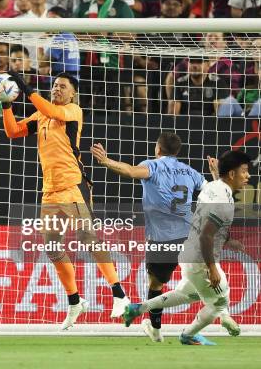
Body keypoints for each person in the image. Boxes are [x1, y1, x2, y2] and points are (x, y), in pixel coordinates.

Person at [2, 71, 130, 330]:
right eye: (55, 86)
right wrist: (6, 104)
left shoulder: (72, 111)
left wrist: (27, 89)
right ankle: (74, 301)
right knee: (52, 248)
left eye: (62, 87)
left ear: (73, 93)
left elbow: (54, 112)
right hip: (50, 190)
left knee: (88, 238)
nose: (57, 90)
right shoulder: (41, 116)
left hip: (73, 185)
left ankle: (120, 295)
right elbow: (13, 131)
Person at [91, 133, 239, 341]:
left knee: (156, 285)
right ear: (177, 151)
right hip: (190, 237)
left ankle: (156, 331)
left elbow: (131, 172)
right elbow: (214, 192)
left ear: (158, 149)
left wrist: (106, 161)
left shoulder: (153, 166)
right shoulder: (190, 172)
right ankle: (222, 313)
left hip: (162, 240)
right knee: (202, 280)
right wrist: (215, 175)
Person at [123, 150, 251, 346]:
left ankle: (138, 308)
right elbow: (207, 234)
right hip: (201, 260)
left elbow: (212, 223)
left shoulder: (214, 187)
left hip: (188, 253)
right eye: (244, 171)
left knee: (186, 294)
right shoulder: (222, 199)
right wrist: (212, 267)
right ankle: (188, 335)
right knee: (218, 303)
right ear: (232, 174)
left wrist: (228, 241)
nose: (248, 176)